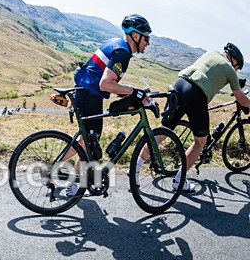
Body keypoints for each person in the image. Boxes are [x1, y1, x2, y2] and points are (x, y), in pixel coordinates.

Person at [137, 42, 250, 192]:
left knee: (163, 131)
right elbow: (241, 98)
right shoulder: (229, 69)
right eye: (237, 67)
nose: (236, 70)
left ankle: (135, 169)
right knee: (200, 142)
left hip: (179, 84)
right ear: (234, 60)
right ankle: (179, 180)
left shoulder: (211, 52)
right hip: (196, 94)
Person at [65, 14, 153, 196]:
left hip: (86, 91)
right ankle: (72, 185)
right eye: (146, 38)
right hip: (89, 94)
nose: (148, 43)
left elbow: (108, 82)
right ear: (136, 36)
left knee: (86, 141)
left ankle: (70, 179)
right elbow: (105, 84)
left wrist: (130, 92)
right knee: (88, 142)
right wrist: (133, 91)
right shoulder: (123, 53)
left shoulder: (117, 43)